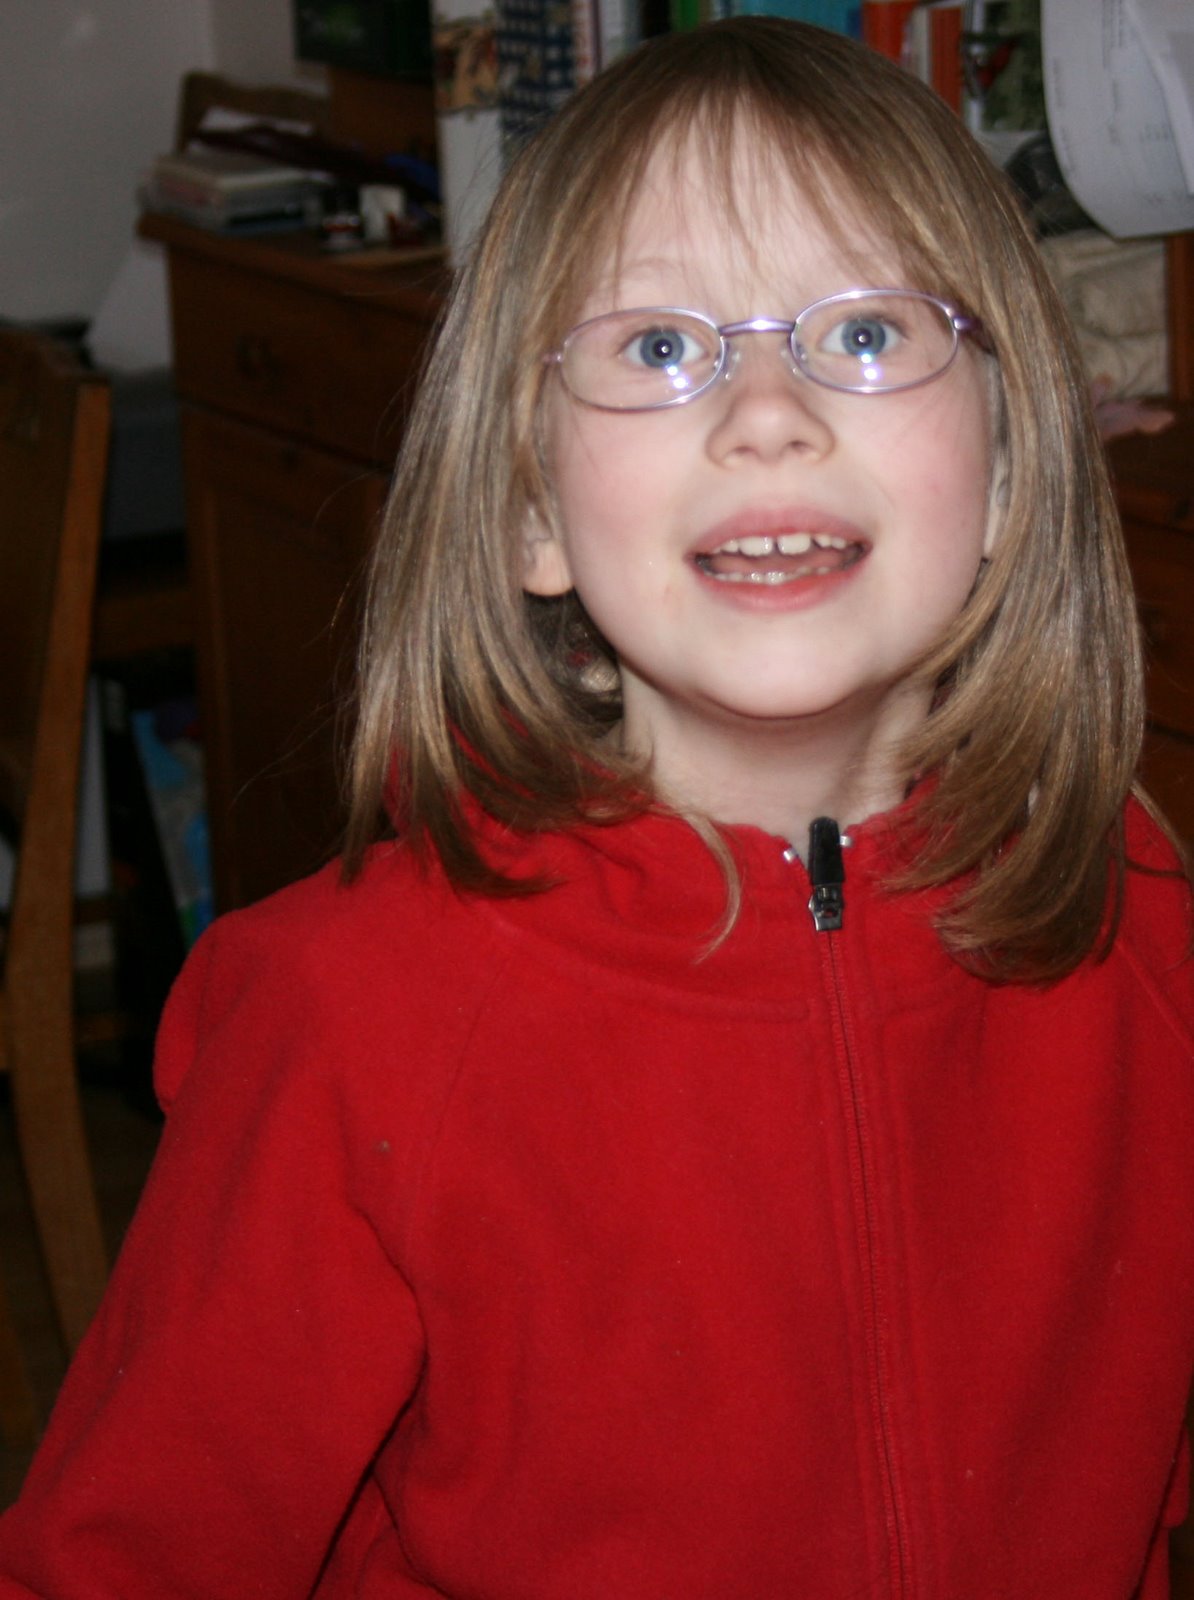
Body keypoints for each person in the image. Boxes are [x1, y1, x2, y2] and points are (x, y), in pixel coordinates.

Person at [1, 17, 1192, 1598]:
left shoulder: (1133, 919)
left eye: (861, 330)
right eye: (655, 348)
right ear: (528, 511)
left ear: (1010, 470)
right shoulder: (352, 1018)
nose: (764, 411)